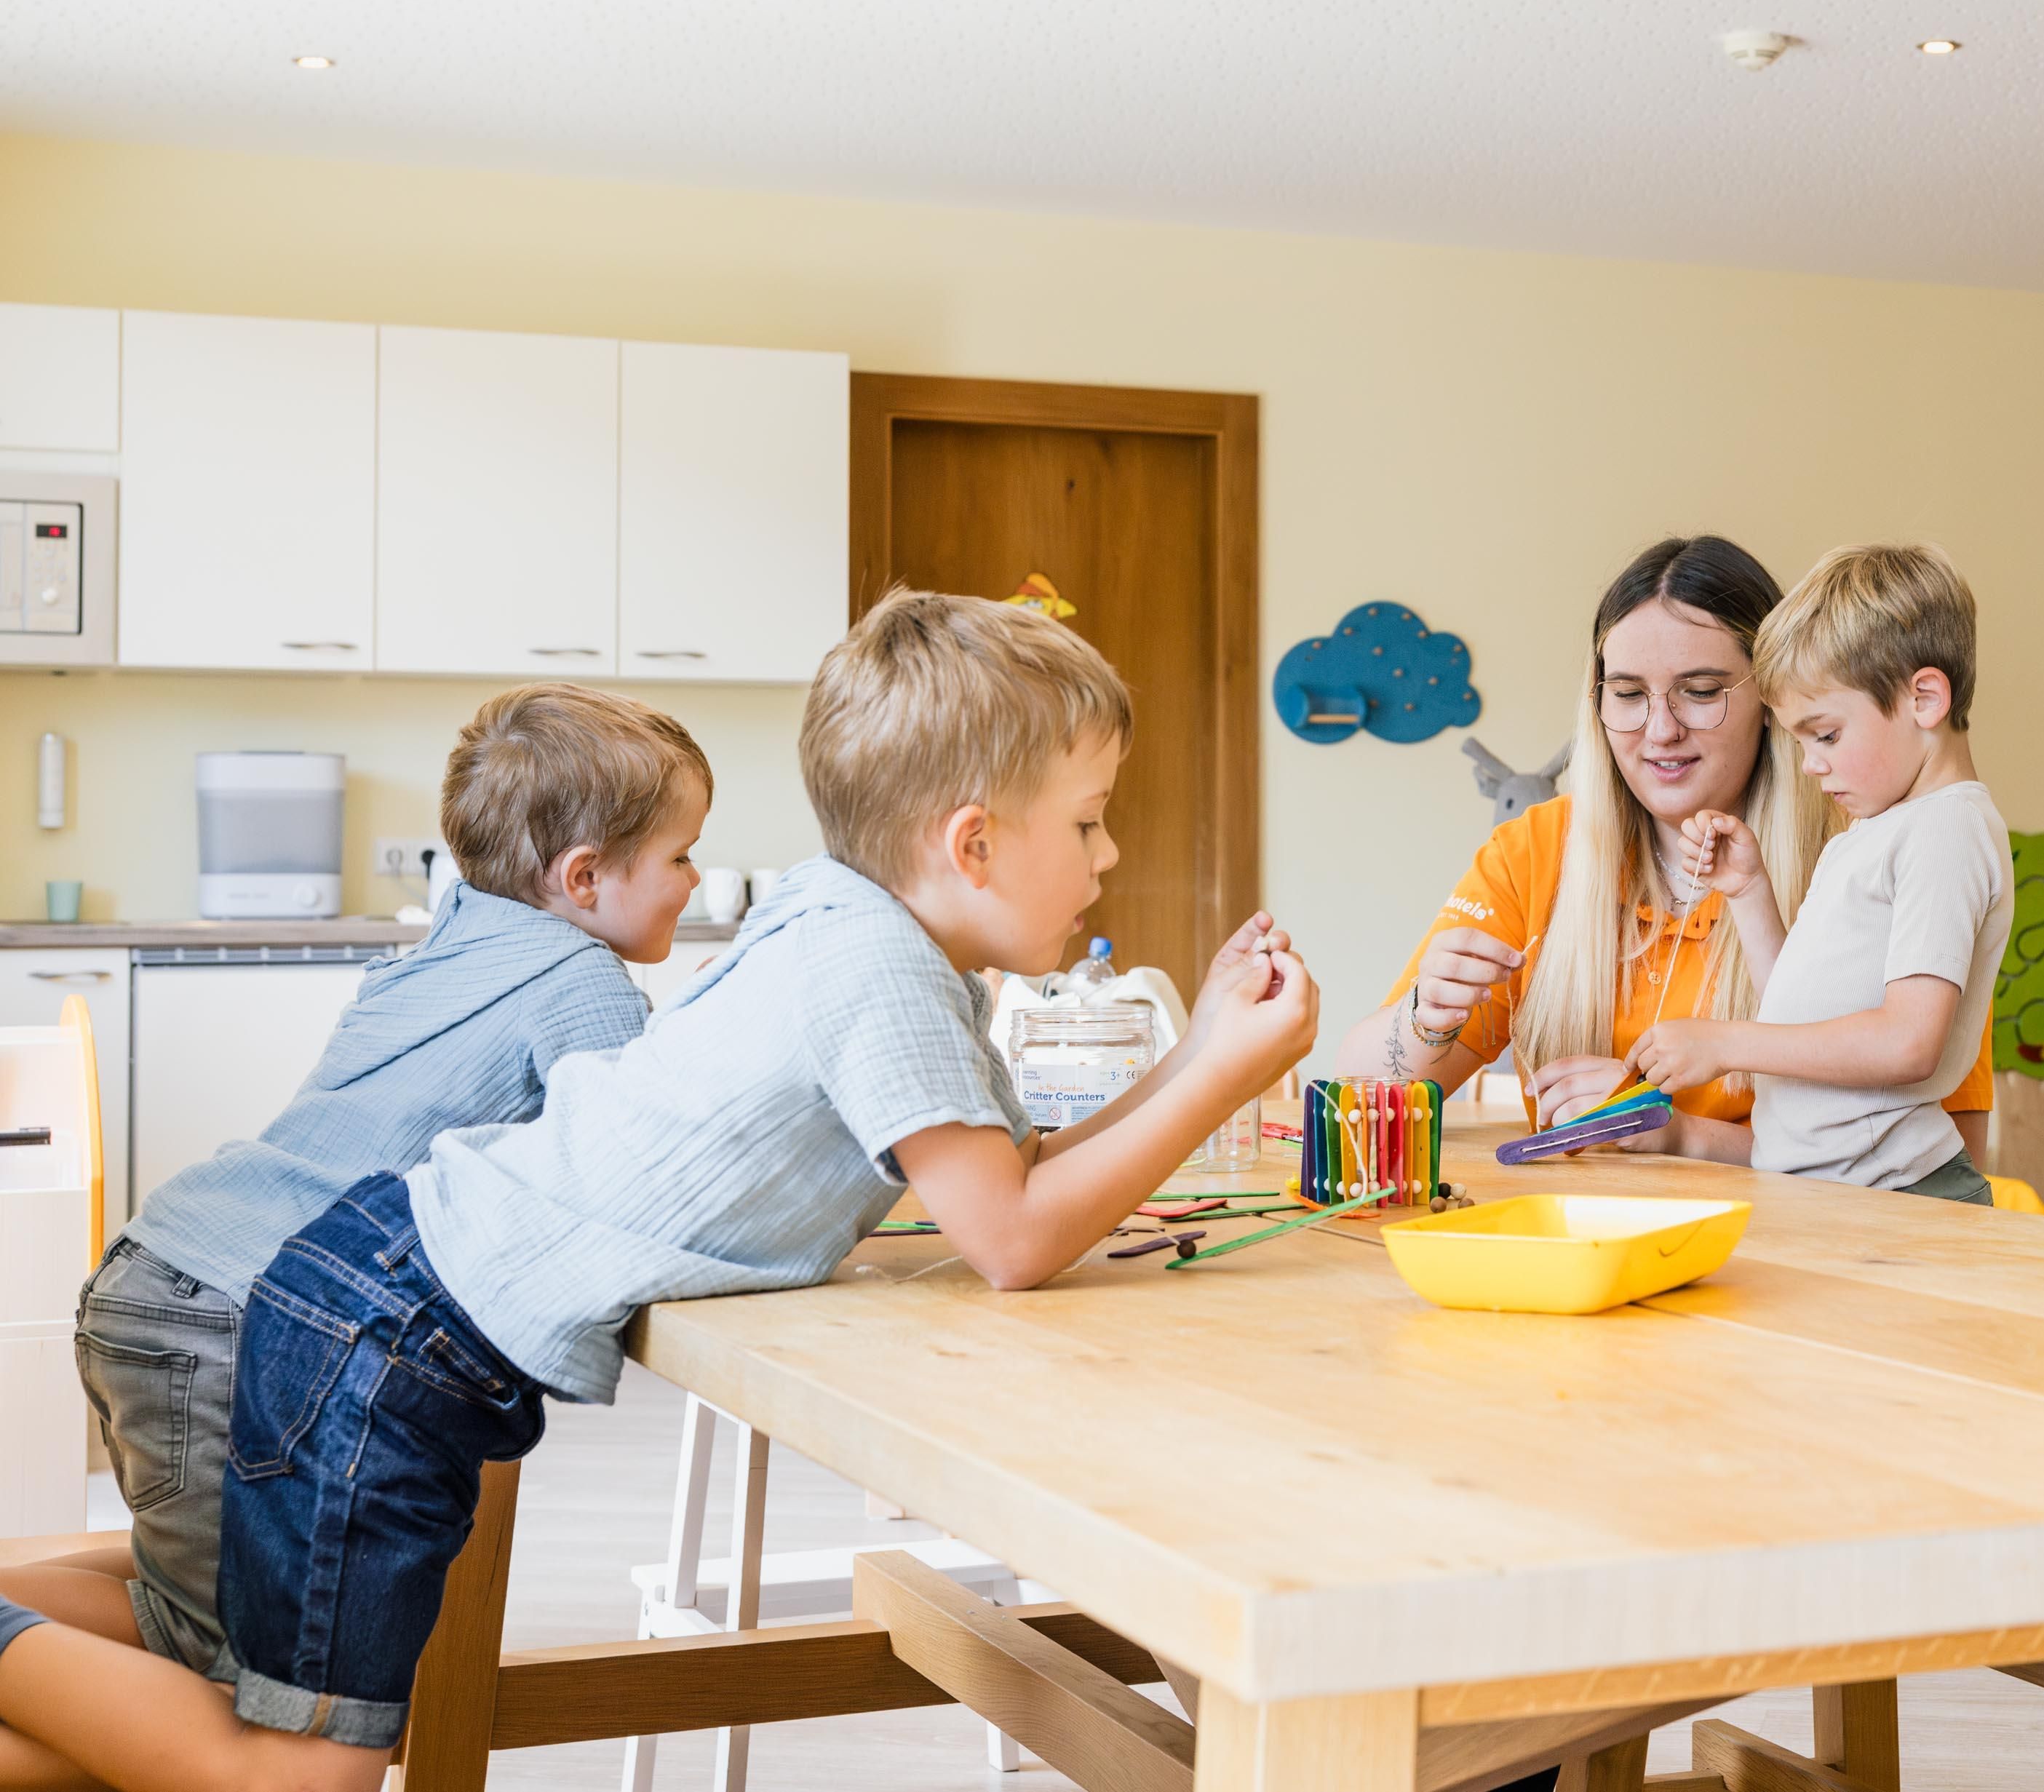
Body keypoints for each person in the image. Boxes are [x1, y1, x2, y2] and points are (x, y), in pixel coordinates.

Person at [0, 591, 1317, 1792]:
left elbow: (1014, 1182)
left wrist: (1204, 1047)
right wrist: (1218, 1074)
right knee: (297, 1777)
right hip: (386, 1345)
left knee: (249, 1685)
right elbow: (1015, 1239)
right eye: (1087, 821)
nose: (1111, 852)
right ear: (972, 843)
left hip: (379, 1310)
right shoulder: (881, 973)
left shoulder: (852, 928)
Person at [0, 684, 712, 1676]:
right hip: (239, 1323)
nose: (696, 879)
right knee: (230, 1663)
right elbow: (654, 1167)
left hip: (170, 1279)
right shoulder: (578, 979)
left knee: (186, 1608)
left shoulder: (450, 945)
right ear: (584, 877)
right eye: (680, 854)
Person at [1336, 534, 1992, 1163]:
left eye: (1701, 692)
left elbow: (1948, 1158)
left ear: (1773, 698)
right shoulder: (1534, 852)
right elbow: (1360, 1102)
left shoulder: (1870, 849)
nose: (1660, 730)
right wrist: (1424, 1015)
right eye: (1626, 694)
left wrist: (1678, 1135)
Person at [1629, 543, 2011, 1200]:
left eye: (1826, 735)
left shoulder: (1945, 830)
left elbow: (1907, 1043)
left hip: (1901, 1193)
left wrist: (1724, 1044)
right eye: (1799, 742)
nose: (1810, 764)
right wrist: (1749, 892)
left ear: (1925, 698)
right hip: (1839, 1192)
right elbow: (1801, 1021)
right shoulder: (1875, 832)